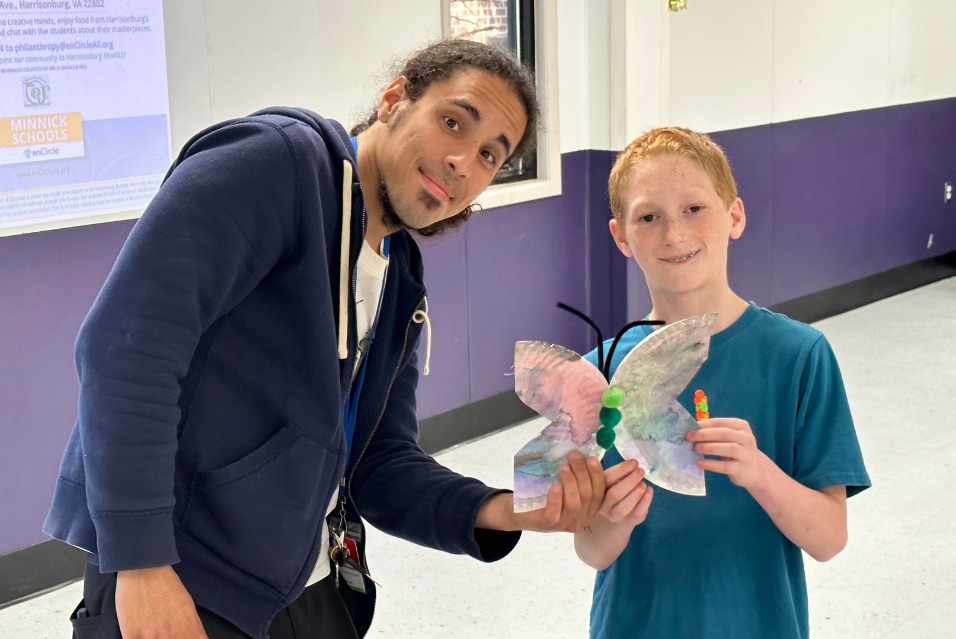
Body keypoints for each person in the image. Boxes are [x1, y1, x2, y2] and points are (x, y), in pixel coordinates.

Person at [43, 39, 610, 639]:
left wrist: (507, 509)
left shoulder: (399, 276)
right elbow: (126, 350)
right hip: (185, 580)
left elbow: (379, 462)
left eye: (490, 156)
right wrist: (142, 565)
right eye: (453, 123)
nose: (463, 162)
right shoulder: (276, 164)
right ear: (395, 99)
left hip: (310, 588)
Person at [574, 127, 871, 639]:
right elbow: (591, 549)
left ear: (734, 216)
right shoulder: (595, 374)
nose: (674, 234)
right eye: (649, 217)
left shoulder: (798, 356)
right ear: (621, 236)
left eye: (694, 208)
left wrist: (758, 470)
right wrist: (614, 518)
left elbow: (828, 539)